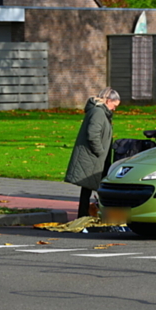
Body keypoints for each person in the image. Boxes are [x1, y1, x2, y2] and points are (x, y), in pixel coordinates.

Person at [65, 87, 120, 218]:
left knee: (88, 188)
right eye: (114, 105)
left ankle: (86, 214)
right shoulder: (98, 113)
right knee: (94, 187)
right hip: (94, 156)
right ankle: (96, 215)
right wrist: (100, 152)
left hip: (96, 157)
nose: (115, 109)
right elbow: (93, 134)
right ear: (108, 100)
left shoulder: (99, 111)